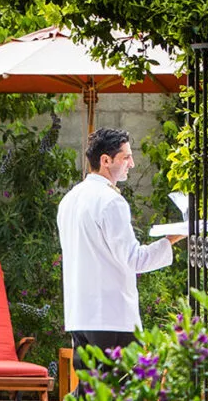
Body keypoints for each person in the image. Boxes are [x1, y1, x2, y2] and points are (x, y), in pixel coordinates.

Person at [56, 126, 181, 384]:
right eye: (126, 157)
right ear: (105, 161)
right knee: (116, 392)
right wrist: (173, 238)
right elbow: (134, 259)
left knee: (92, 395)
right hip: (110, 316)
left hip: (80, 314)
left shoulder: (70, 199)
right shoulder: (111, 201)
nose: (132, 164)